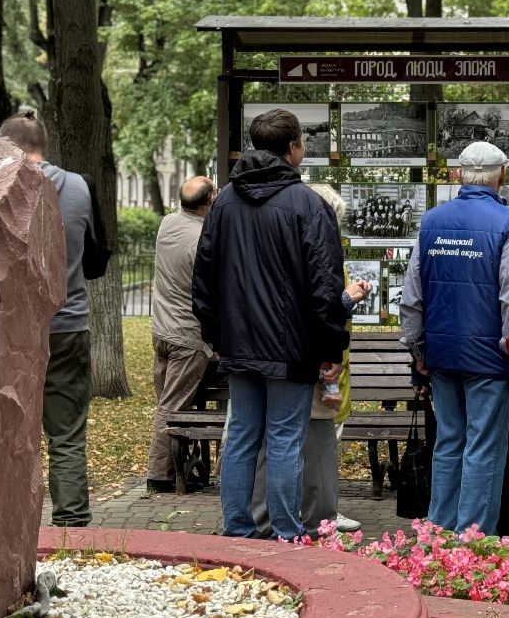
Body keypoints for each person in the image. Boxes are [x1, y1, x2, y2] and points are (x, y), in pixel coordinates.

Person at [192, 108, 349, 541]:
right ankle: (285, 532)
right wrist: (330, 350)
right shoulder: (308, 205)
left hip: (239, 343)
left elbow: (202, 276)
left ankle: (238, 531)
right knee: (283, 440)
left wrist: (215, 336)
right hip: (292, 347)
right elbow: (325, 285)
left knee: (242, 435)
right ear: (294, 147)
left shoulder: (223, 203)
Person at [399, 140, 509, 535]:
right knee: (483, 449)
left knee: (449, 442)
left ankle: (437, 532)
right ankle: (471, 541)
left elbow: (412, 296)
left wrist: (417, 349)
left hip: (442, 355)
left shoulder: (433, 222)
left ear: (459, 175)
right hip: (489, 359)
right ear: (502, 176)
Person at [251, 183, 371, 537]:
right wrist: (347, 301)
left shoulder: (276, 249)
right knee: (311, 443)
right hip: (313, 366)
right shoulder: (318, 255)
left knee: (273, 442)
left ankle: (266, 519)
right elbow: (320, 313)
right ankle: (317, 520)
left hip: (279, 361)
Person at [0, 112, 99, 528]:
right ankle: (72, 521)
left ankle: (10, 524)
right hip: (70, 322)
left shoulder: (3, 189)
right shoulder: (77, 185)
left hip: (14, 331)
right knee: (67, 433)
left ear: (7, 146)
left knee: (10, 435)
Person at [146, 176, 216, 494]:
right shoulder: (204, 239)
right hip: (187, 337)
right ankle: (160, 475)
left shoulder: (167, 224)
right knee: (172, 408)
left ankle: (177, 468)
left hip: (161, 331)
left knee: (167, 400)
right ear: (209, 201)